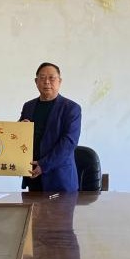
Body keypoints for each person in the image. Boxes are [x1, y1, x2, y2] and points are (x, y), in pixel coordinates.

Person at [19, 62, 82, 193]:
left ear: (60, 81)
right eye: (42, 78)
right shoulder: (28, 106)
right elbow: (17, 136)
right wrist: (19, 128)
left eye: (52, 78)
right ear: (36, 82)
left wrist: (44, 165)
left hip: (59, 179)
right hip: (33, 175)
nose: (47, 82)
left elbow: (69, 142)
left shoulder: (71, 108)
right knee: (32, 207)